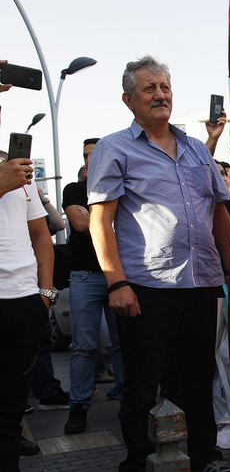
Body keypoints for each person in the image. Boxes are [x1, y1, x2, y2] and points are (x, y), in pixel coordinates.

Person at [86, 56, 230, 472]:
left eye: (164, 87)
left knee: (198, 376)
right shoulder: (114, 148)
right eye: (149, 88)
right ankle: (137, 460)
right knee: (142, 382)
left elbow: (219, 211)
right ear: (128, 99)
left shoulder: (195, 148)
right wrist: (117, 283)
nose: (159, 95)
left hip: (202, 283)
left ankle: (204, 457)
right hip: (146, 286)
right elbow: (101, 220)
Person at [62, 137, 124, 435]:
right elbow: (81, 224)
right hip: (85, 276)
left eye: (95, 154)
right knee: (83, 346)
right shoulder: (73, 189)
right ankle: (78, 407)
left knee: (121, 344)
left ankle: (129, 405)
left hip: (119, 274)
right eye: (86, 155)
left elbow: (111, 224)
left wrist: (97, 218)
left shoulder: (120, 185)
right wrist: (106, 220)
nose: (90, 159)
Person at [0, 141, 55, 471]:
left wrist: (45, 295)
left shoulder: (17, 168)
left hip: (23, 305)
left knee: (9, 419)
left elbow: (40, 234)